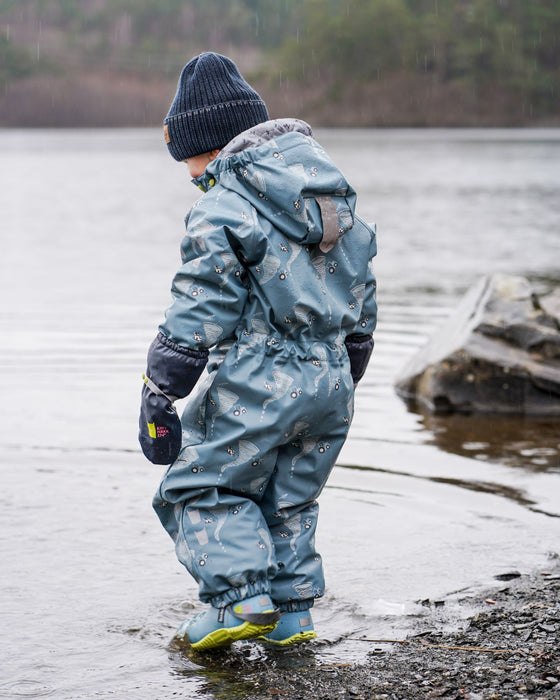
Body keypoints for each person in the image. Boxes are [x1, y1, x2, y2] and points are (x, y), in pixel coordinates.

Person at [139, 52, 377, 651]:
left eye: (190, 161)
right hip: (331, 381)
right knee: (290, 497)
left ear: (211, 149)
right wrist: (348, 370)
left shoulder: (224, 205)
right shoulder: (335, 202)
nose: (189, 175)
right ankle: (294, 616)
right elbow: (362, 297)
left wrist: (162, 387)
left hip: (258, 376)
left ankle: (239, 601)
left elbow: (202, 303)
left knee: (199, 487)